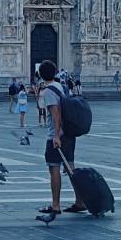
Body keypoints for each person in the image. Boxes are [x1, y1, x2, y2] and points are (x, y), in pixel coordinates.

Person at [38, 60, 85, 217]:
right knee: (70, 168)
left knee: (54, 168)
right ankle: (80, 201)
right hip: (69, 133)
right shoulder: (61, 86)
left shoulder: (48, 91)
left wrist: (56, 136)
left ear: (40, 74)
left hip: (57, 135)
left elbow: (56, 114)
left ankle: (56, 205)